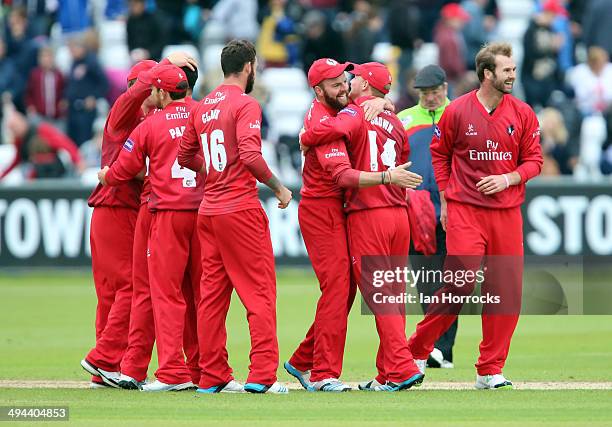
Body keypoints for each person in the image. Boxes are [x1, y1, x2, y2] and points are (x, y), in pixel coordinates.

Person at [407, 42, 543, 389]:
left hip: (507, 212)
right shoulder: (458, 111)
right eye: (507, 70)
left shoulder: (523, 113)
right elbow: (439, 154)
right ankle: (417, 351)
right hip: (466, 209)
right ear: (487, 74)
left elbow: (534, 161)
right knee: (459, 283)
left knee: (506, 291)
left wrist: (508, 178)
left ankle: (490, 370)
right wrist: (448, 199)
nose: (512, 75)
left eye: (513, 70)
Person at [285, 58, 422, 393]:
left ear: (364, 86)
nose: (345, 84)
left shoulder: (350, 113)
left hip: (357, 210)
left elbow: (346, 147)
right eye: (337, 82)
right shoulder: (345, 114)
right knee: (352, 290)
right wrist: (381, 105)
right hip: (325, 210)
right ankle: (327, 373)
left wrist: (307, 135)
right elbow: (344, 175)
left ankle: (307, 362)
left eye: (349, 79)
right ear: (318, 90)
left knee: (356, 290)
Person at [178, 39, 292, 394]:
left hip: (208, 211)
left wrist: (215, 172)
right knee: (259, 293)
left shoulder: (202, 105)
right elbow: (250, 154)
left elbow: (185, 156)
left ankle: (212, 376)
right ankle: (262, 376)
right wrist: (278, 188)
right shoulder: (246, 104)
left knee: (211, 297)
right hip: (239, 209)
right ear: (249, 67)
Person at [80, 52, 197, 389]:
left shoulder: (155, 119)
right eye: (154, 88)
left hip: (134, 207)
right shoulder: (123, 113)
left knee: (121, 291)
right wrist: (164, 64)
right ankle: (104, 359)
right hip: (115, 207)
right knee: (128, 288)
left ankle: (109, 367)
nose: (156, 97)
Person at [397, 64, 458, 369]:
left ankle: (442, 349)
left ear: (445, 88)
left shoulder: (458, 115)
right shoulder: (404, 120)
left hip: (453, 207)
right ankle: (433, 347)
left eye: (435, 92)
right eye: (425, 94)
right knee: (426, 282)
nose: (430, 98)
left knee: (451, 281)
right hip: (416, 210)